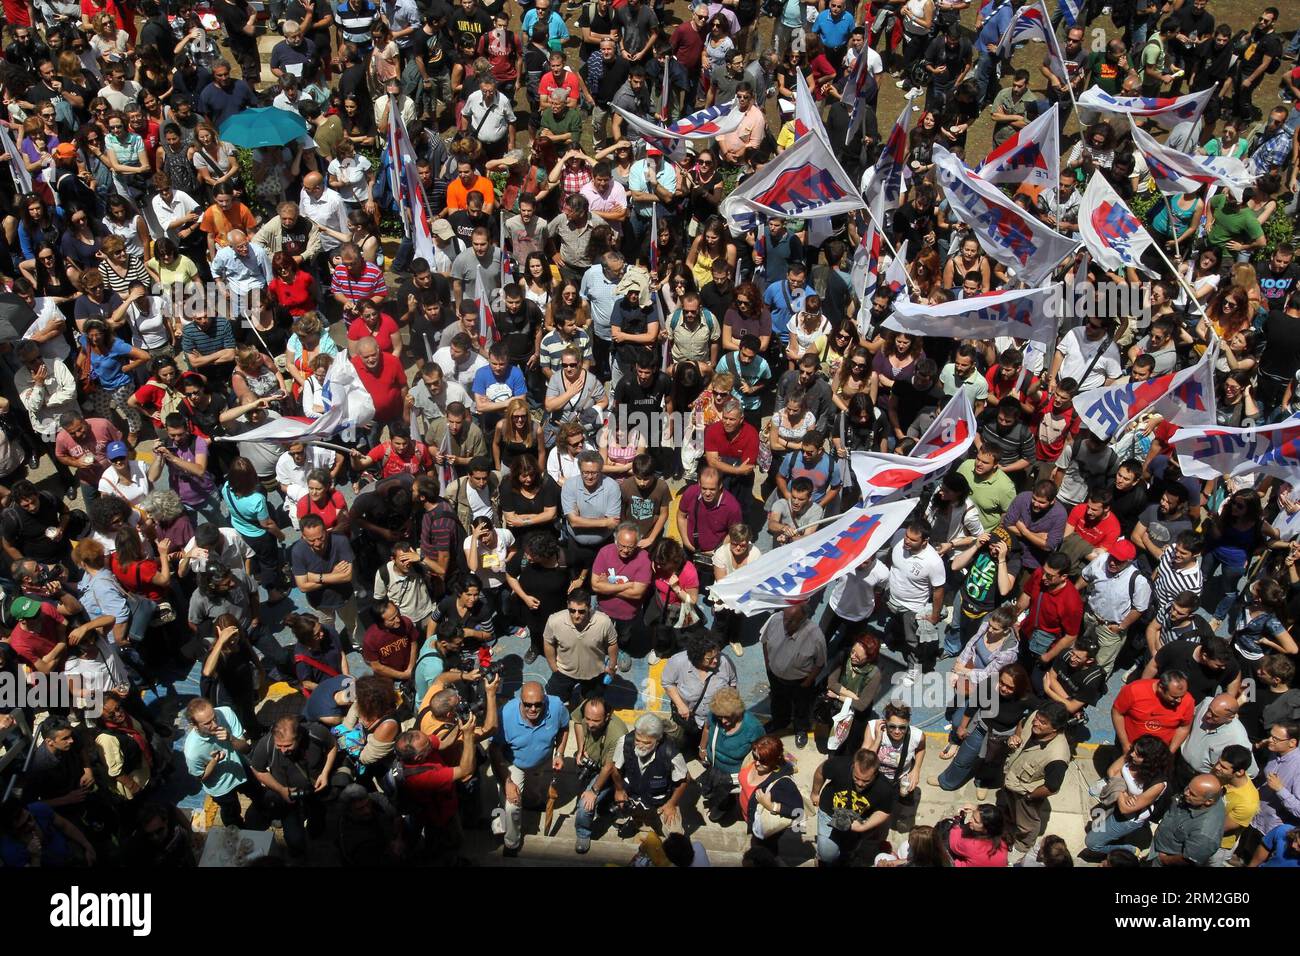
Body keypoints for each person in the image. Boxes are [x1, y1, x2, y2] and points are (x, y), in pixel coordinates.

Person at [489, 681, 568, 854]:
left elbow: (564, 727)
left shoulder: (556, 706)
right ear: (520, 701)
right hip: (513, 764)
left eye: (538, 704)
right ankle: (511, 843)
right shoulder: (505, 715)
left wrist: (560, 754)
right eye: (527, 704)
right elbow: (494, 750)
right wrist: (507, 781)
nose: (532, 709)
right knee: (512, 805)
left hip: (540, 762)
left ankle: (531, 803)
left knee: (533, 795)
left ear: (545, 700)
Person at [997, 703, 1072, 858]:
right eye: (1037, 719)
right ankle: (1011, 818)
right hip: (1011, 780)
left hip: (1026, 793)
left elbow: (1052, 787)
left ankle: (1022, 846)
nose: (1036, 723)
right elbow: (1022, 723)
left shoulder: (1058, 756)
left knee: (1027, 825)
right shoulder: (1035, 716)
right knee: (1010, 806)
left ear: (1055, 729)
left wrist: (1030, 797)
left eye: (1043, 723)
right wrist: (1016, 736)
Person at [182, 697, 265, 829]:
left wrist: (230, 738)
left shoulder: (226, 713)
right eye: (207, 723)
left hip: (240, 769)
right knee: (231, 813)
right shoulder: (192, 751)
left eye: (214, 718)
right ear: (194, 725)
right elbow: (201, 777)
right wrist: (214, 762)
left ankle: (267, 813)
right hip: (220, 787)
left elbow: (246, 748)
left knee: (258, 793)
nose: (214, 725)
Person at [609, 713, 689, 838]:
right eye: (637, 740)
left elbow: (684, 781)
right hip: (633, 795)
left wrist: (671, 804)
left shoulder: (671, 754)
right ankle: (636, 821)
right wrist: (619, 790)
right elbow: (616, 769)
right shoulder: (625, 742)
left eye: (646, 743)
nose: (640, 745)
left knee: (677, 837)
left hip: (661, 800)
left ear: (658, 740)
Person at [812, 748, 896, 866]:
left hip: (858, 818)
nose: (860, 784)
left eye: (866, 780)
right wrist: (815, 793)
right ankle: (823, 857)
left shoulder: (885, 788)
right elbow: (821, 771)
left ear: (876, 774)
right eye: (856, 778)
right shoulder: (839, 765)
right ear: (853, 766)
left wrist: (863, 827)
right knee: (828, 854)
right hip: (830, 811)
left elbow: (885, 811)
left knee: (848, 849)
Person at [760, 602, 827, 750]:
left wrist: (807, 682)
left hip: (800, 682)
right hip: (775, 676)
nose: (785, 623)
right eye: (785, 617)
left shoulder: (815, 636)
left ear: (803, 619)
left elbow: (820, 663)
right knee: (777, 701)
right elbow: (764, 642)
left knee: (801, 708)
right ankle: (779, 722)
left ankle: (800, 729)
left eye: (791, 620)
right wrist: (768, 665)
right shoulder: (775, 620)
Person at [571, 696, 629, 854]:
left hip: (609, 769)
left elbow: (609, 768)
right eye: (588, 719)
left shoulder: (618, 734)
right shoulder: (586, 709)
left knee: (584, 806)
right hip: (593, 761)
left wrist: (594, 791)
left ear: (608, 716)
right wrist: (581, 748)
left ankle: (583, 834)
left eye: (595, 721)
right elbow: (576, 721)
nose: (589, 724)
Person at [542, 587, 619, 706]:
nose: (576, 615)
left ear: (589, 608)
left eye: (581, 611)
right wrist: (553, 667)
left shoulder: (604, 622)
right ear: (567, 605)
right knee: (553, 702)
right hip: (564, 671)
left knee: (591, 705)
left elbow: (612, 643)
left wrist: (612, 666)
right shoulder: (554, 621)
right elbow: (548, 642)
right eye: (572, 610)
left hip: (594, 673)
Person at [1150, 774, 1227, 867]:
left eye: (1192, 794)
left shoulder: (1205, 834)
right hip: (1158, 844)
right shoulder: (1199, 795)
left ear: (1208, 801)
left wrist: (1164, 860)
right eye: (1188, 788)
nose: (1186, 793)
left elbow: (1188, 859)